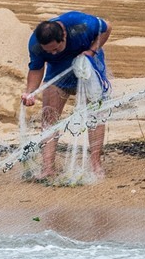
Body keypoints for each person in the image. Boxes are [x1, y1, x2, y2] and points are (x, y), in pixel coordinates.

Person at [21, 11, 111, 179]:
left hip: (87, 67)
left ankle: (96, 164)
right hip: (58, 73)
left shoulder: (80, 24)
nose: (53, 53)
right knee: (49, 118)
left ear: (63, 35)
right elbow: (36, 68)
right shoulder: (35, 44)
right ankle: (48, 168)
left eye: (56, 48)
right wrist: (30, 92)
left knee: (95, 116)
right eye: (49, 51)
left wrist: (91, 51)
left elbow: (107, 27)